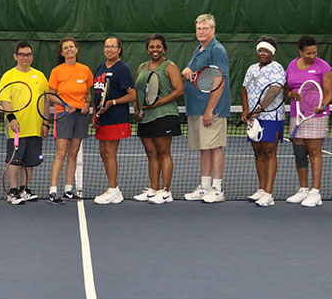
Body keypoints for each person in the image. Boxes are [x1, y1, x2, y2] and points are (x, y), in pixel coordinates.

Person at [180, 14, 231, 203]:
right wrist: (187, 69)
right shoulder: (199, 49)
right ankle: (205, 186)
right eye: (199, 29)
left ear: (213, 30)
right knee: (205, 148)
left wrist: (210, 109)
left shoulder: (217, 50)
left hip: (211, 110)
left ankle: (217, 189)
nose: (201, 32)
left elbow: (219, 81)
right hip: (197, 108)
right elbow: (196, 72)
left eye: (205, 29)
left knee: (215, 147)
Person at [132, 34, 184, 204]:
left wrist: (158, 103)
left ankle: (166, 191)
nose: (155, 50)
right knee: (151, 153)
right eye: (152, 47)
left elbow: (179, 90)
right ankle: (154, 189)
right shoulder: (142, 67)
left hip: (164, 115)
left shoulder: (170, 66)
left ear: (164, 48)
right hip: (146, 116)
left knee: (163, 152)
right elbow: (137, 91)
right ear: (148, 49)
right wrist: (137, 110)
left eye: (158, 47)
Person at [284, 35, 332, 207]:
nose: (312, 56)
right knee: (299, 151)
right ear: (300, 52)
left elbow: (329, 92)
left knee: (314, 151)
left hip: (316, 115)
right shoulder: (292, 65)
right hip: (297, 114)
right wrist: (291, 94)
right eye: (308, 53)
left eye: (314, 53)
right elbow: (288, 87)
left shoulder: (323, 66)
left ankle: (315, 192)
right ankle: (303, 189)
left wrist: (323, 105)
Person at [0, 41, 49, 205]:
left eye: (29, 54)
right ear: (15, 56)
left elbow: (45, 100)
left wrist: (45, 123)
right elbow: (5, 100)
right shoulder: (9, 76)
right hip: (17, 128)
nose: (26, 57)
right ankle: (12, 192)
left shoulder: (40, 75)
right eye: (22, 54)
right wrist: (11, 119)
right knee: (15, 161)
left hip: (36, 127)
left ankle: (23, 189)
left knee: (30, 161)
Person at [46, 38, 93, 205]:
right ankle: (53, 191)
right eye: (65, 48)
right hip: (63, 115)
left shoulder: (85, 70)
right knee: (61, 153)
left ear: (76, 49)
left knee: (73, 153)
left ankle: (68, 190)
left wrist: (87, 104)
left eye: (71, 47)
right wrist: (65, 104)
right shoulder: (57, 71)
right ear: (62, 52)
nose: (69, 50)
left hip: (81, 116)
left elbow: (88, 93)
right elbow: (51, 95)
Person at [241, 37, 286, 207]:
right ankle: (261, 189)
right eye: (260, 50)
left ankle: (268, 193)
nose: (263, 54)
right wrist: (246, 110)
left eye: (266, 51)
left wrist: (260, 109)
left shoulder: (277, 68)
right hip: (253, 118)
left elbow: (275, 90)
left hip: (271, 117)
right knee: (258, 153)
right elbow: (244, 89)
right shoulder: (252, 68)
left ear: (272, 53)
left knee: (269, 152)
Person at [92, 37, 137, 204]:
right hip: (102, 118)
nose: (109, 49)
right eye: (106, 46)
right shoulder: (101, 67)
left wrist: (113, 102)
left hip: (116, 118)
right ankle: (113, 189)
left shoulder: (122, 69)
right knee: (103, 153)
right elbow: (97, 93)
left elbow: (132, 95)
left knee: (110, 153)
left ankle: (114, 190)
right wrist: (95, 114)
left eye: (113, 47)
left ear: (119, 49)